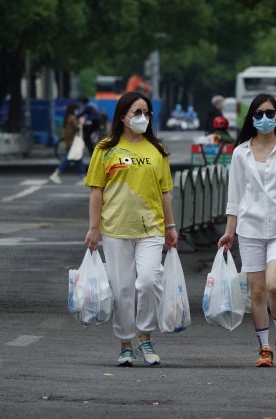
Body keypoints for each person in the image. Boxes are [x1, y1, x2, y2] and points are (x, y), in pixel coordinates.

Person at [217, 93, 276, 367]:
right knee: (257, 291)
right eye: (258, 114)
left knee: (273, 285)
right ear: (251, 118)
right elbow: (234, 196)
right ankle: (264, 348)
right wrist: (229, 231)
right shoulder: (240, 152)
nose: (264, 119)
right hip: (249, 229)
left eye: (270, 113)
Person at [83, 91, 178, 367]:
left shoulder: (157, 150)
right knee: (123, 289)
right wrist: (93, 228)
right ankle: (125, 344)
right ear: (123, 116)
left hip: (152, 229)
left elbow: (165, 192)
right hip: (115, 229)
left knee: (148, 281)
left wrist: (171, 227)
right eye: (137, 112)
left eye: (146, 113)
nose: (142, 117)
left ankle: (145, 338)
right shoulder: (105, 149)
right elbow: (96, 191)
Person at [49, 103, 86, 184]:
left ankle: (83, 176)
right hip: (73, 142)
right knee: (68, 159)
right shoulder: (72, 118)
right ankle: (55, 174)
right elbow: (77, 128)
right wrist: (81, 123)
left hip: (71, 141)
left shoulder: (69, 117)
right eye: (77, 110)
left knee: (78, 159)